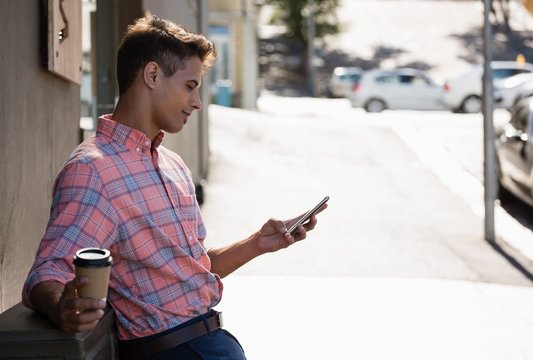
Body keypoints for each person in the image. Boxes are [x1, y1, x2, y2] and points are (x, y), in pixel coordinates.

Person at [22, 15, 327, 360]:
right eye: (190, 86)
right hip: (170, 350)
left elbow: (193, 266)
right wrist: (60, 305)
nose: (197, 102)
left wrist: (258, 243)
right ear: (152, 75)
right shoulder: (93, 170)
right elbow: (46, 273)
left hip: (215, 342)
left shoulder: (173, 165)